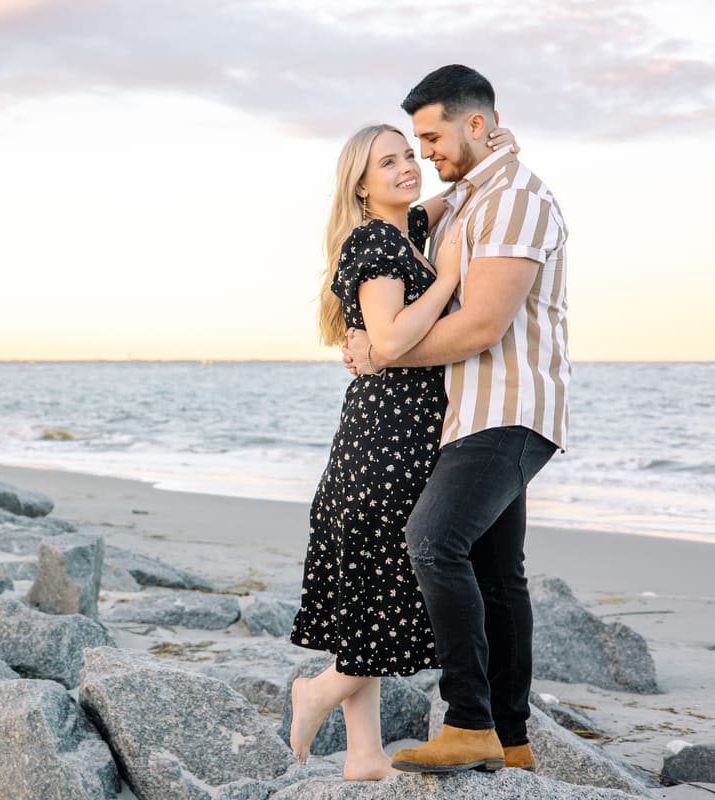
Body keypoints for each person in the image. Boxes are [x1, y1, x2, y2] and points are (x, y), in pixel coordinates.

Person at [343, 64, 570, 774]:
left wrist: (383, 357)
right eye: (413, 143)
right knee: (499, 575)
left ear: (475, 124)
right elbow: (421, 215)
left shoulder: (518, 201)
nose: (425, 153)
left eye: (431, 137)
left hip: (509, 408)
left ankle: (468, 721)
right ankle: (514, 742)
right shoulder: (477, 195)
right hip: (472, 412)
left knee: (433, 539)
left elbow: (480, 326)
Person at [288, 120, 517, 780]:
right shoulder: (377, 240)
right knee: (389, 590)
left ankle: (363, 756)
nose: (408, 167)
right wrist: (447, 282)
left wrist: (498, 153)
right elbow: (387, 341)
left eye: (410, 155)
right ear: (361, 185)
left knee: (367, 592)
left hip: (396, 437)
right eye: (388, 162)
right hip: (384, 444)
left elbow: (465, 192)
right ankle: (319, 692)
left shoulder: (409, 231)